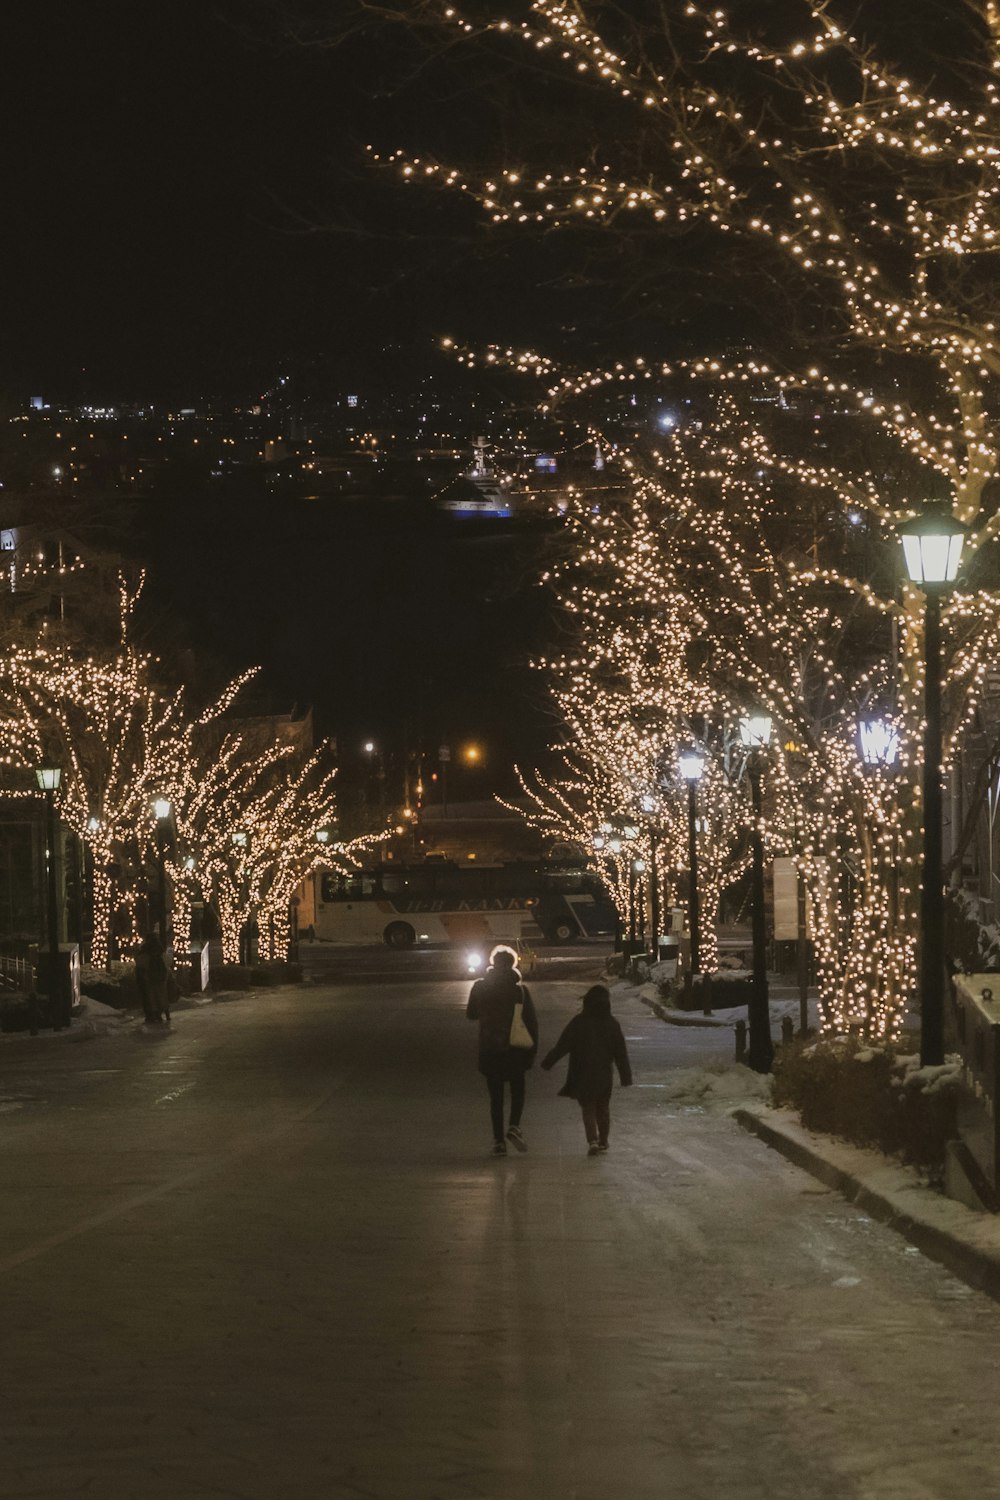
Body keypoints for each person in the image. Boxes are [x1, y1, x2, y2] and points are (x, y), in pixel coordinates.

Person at [541, 985, 632, 1155]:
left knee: (588, 1108)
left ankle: (593, 1140)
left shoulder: (579, 1022)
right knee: (603, 1108)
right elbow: (620, 1052)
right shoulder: (612, 1024)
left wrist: (548, 1062)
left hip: (582, 1072)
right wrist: (625, 1076)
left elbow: (563, 1045)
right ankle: (603, 1140)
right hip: (604, 1073)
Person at [466, 944, 538, 1156]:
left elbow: (471, 1014)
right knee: (518, 1092)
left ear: (493, 964)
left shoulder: (480, 987)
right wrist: (532, 1051)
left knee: (495, 1098)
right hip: (515, 1048)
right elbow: (531, 1022)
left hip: (490, 1048)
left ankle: (498, 1142)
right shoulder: (520, 991)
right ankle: (514, 1126)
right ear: (513, 964)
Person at [135, 932, 171, 1026]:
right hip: (161, 976)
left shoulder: (145, 950)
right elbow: (166, 962)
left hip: (149, 976)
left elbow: (140, 963)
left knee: (151, 996)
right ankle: (164, 1012)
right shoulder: (160, 949)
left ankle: (153, 1014)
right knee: (161, 994)